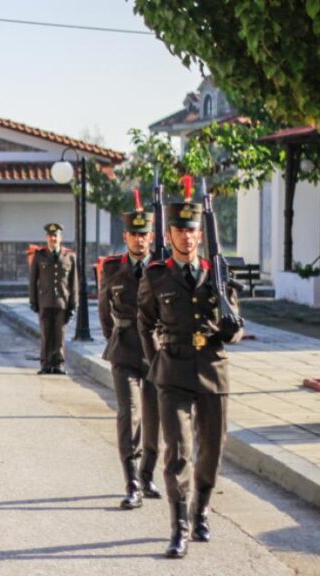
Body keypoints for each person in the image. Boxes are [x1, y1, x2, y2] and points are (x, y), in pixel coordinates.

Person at [137, 200, 244, 559]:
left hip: (213, 370)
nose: (187, 235)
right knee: (178, 453)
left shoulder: (218, 272)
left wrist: (232, 331)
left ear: (201, 233)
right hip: (174, 370)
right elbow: (145, 322)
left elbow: (236, 325)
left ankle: (201, 512)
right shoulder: (156, 276)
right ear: (169, 234)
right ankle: (179, 527)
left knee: (211, 450)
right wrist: (158, 364)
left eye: (192, 229)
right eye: (180, 229)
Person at [98, 210, 162, 510]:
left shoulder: (162, 269)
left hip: (156, 353)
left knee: (154, 417)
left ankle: (148, 475)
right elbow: (103, 308)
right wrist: (115, 335)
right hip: (124, 351)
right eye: (133, 234)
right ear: (125, 237)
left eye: (144, 234)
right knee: (130, 414)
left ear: (151, 237)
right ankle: (132, 482)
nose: (139, 239)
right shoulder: (113, 268)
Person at [29, 223, 77, 375]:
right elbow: (33, 280)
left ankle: (59, 364)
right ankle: (45, 364)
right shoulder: (39, 255)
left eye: (55, 235)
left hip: (62, 302)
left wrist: (73, 304)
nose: (53, 238)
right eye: (50, 236)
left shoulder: (69, 256)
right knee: (46, 334)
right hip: (45, 301)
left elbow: (74, 282)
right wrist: (33, 301)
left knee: (60, 334)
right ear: (46, 237)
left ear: (60, 237)